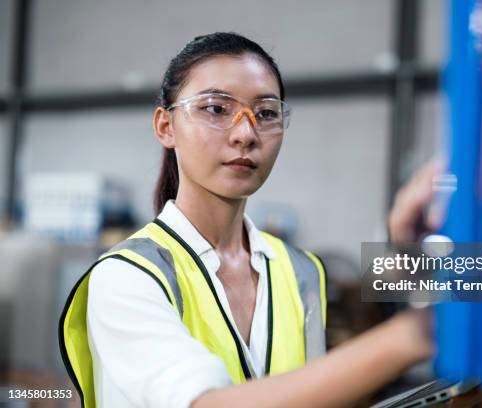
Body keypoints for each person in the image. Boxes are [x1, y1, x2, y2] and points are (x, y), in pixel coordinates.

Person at [59, 32, 437, 408]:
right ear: (165, 126)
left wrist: (422, 276)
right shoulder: (127, 276)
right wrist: (417, 334)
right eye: (216, 109)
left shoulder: (303, 271)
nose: (246, 133)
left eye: (266, 113)